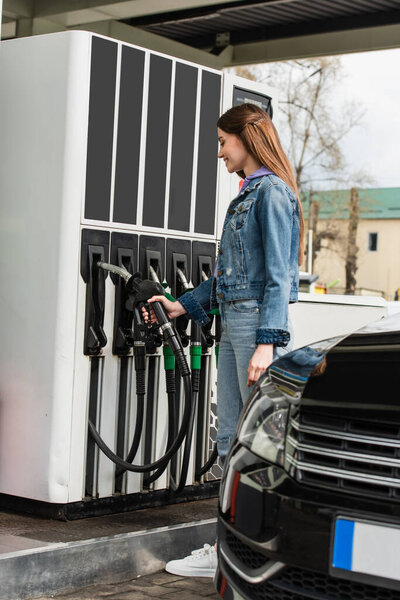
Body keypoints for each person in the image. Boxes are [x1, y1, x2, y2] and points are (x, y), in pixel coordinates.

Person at [144, 102, 304, 577]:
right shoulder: (248, 195)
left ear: (246, 138)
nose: (219, 153)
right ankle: (225, 549)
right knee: (230, 439)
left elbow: (278, 275)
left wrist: (267, 342)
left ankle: (250, 551)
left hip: (253, 326)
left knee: (255, 444)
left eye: (222, 142)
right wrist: (183, 306)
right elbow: (229, 278)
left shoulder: (272, 194)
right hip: (235, 321)